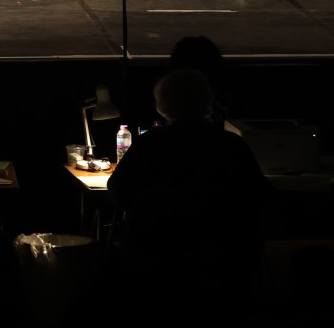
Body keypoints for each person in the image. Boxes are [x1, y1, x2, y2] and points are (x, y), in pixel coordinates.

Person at [107, 69, 273, 297]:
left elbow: (119, 191)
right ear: (207, 101)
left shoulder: (150, 144)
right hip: (224, 260)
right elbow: (260, 196)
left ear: (162, 105)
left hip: (155, 260)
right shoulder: (231, 144)